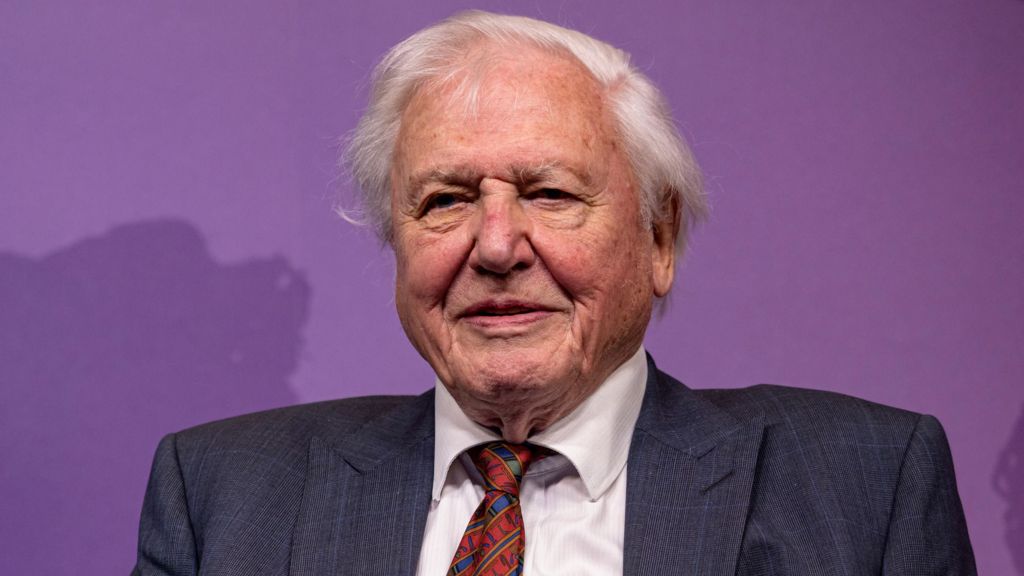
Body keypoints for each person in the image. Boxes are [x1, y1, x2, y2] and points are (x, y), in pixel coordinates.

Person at [132, 10, 976, 575]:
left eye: (551, 194)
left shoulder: (864, 488)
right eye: (446, 201)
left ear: (659, 237)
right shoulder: (221, 493)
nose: (495, 246)